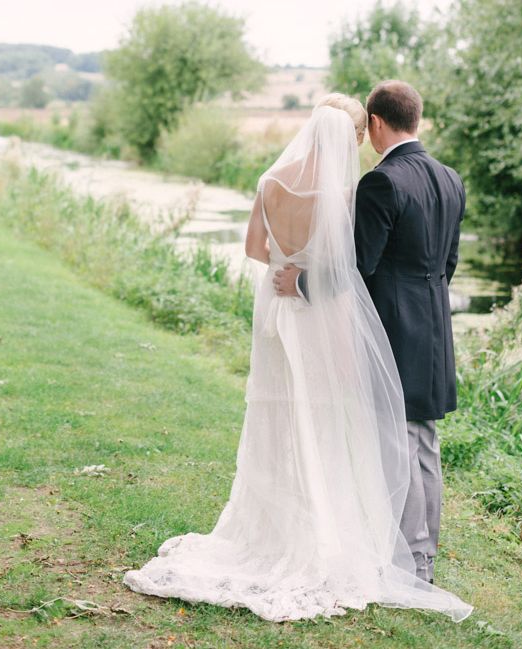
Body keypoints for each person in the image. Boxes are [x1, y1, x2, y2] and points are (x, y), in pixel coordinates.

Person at [123, 93, 472, 623]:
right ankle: (406, 554)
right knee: (376, 434)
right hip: (413, 327)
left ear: (375, 123)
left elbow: (305, 257)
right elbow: (431, 264)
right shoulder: (444, 179)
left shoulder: (285, 181)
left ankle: (335, 538)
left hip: (289, 307)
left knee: (287, 414)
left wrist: (295, 270)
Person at [275, 82, 465, 584]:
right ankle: (423, 558)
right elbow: (448, 265)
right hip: (435, 331)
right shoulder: (450, 179)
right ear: (416, 119)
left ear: (377, 122)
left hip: (396, 332)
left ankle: (410, 561)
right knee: (424, 444)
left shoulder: (383, 182)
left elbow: (355, 267)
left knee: (397, 444)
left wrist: (300, 281)